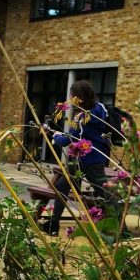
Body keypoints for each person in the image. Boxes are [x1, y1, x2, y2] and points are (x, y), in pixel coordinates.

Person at [44, 80, 113, 235]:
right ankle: (53, 225)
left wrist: (54, 137)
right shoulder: (101, 108)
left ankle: (122, 228)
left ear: (77, 96)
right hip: (89, 158)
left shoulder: (83, 116)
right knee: (62, 186)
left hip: (88, 159)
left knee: (105, 194)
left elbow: (73, 138)